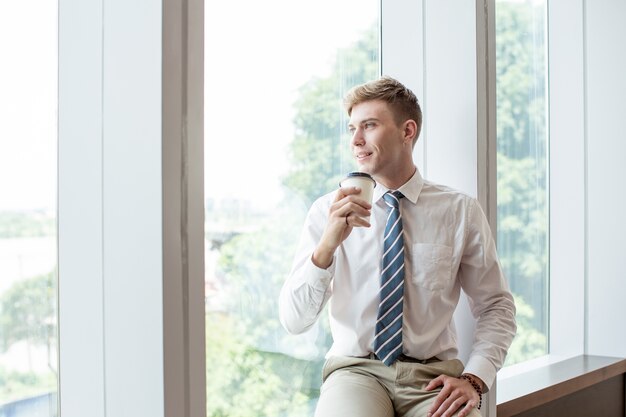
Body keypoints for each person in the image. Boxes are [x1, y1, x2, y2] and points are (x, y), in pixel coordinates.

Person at [279, 76, 516, 417]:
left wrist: (476, 378)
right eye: (351, 129)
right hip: (355, 372)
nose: (356, 140)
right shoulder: (326, 211)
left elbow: (496, 306)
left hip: (433, 378)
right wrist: (327, 245)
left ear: (407, 132)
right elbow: (294, 320)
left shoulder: (459, 211)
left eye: (369, 126)